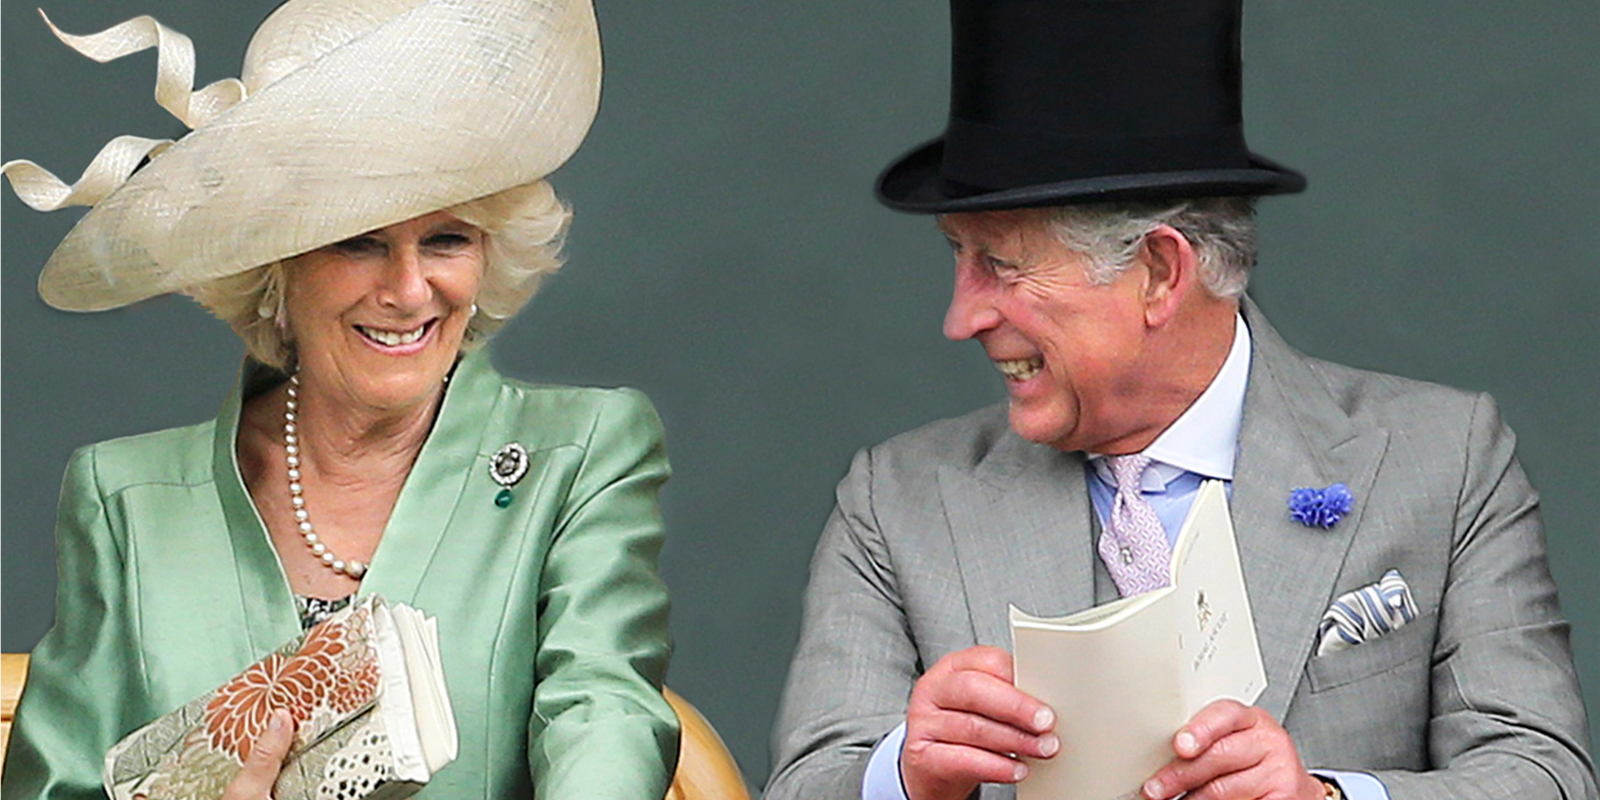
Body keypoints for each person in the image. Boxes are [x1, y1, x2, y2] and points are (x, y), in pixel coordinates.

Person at [765, 2, 1595, 800]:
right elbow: (807, 785)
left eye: (1004, 266)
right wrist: (907, 779)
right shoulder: (894, 503)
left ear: (1161, 271)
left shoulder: (1445, 464)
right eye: (957, 255)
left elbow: (1544, 776)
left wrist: (1325, 798)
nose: (962, 317)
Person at [0, 1, 679, 798]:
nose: (407, 287)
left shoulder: (583, 454)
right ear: (274, 268)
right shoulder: (126, 502)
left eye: (447, 239)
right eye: (357, 242)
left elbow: (604, 716)